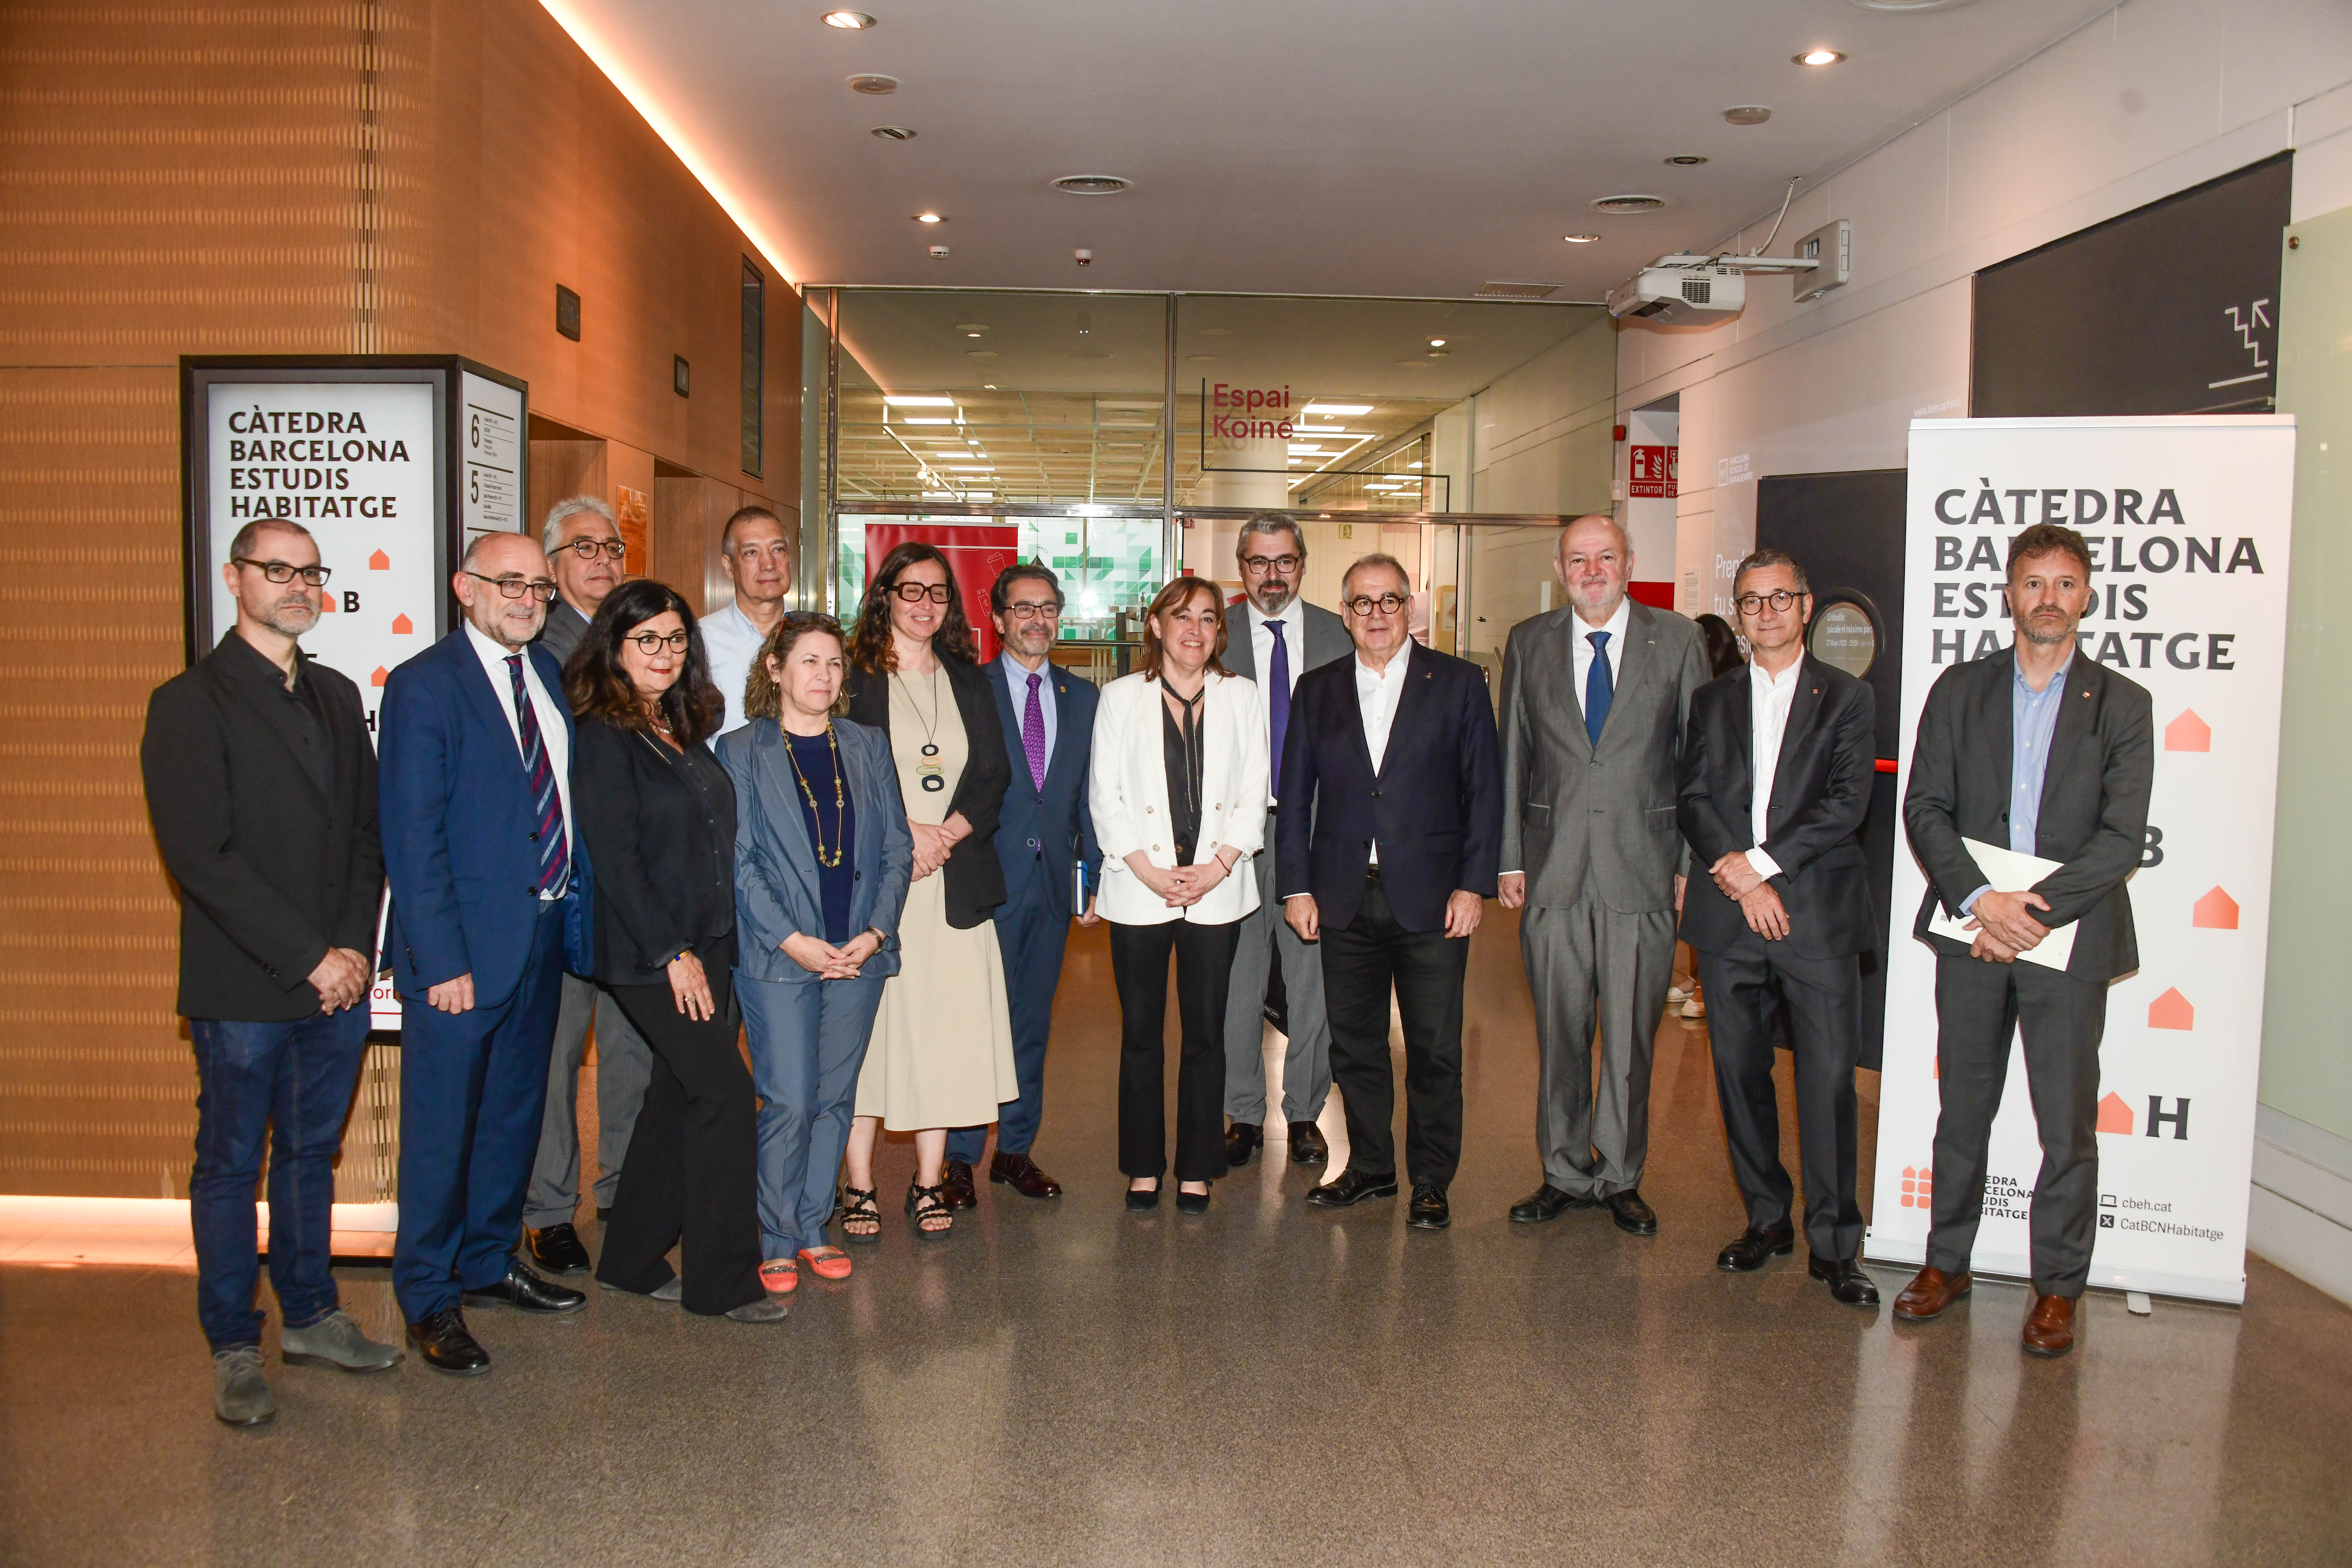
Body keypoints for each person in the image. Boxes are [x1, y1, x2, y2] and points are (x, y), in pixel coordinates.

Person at [141, 518, 402, 1426]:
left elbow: (366, 834)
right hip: (247, 983)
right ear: (235, 577)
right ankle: (231, 1345)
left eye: (310, 573)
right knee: (228, 1165)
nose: (298, 585)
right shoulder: (188, 702)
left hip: (335, 980)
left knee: (309, 1155)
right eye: (277, 570)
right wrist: (308, 956)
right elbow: (202, 858)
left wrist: (352, 952)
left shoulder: (333, 694)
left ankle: (313, 1315)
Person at [1894, 523, 2153, 1358]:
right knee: (1962, 1108)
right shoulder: (1958, 689)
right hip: (1972, 934)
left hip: (2065, 944)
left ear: (2085, 596)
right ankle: (1946, 1263)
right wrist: (1979, 900)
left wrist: (2026, 911)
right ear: (2008, 594)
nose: (2047, 597)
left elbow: (2120, 839)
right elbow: (1924, 807)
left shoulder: (2122, 704)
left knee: (2066, 1123)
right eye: (2032, 582)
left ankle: (2056, 1288)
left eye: (2064, 583)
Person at [379, 531, 590, 1375]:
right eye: (510, 583)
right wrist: (442, 960)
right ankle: (428, 1297)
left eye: (540, 586)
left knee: (511, 1115)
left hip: (538, 937)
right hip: (461, 955)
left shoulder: (542, 673)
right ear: (466, 587)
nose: (528, 598)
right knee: (441, 1131)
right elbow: (412, 835)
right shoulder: (426, 686)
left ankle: (487, 1258)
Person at [566, 579, 783, 1322]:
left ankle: (628, 1258)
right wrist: (671, 953)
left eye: (675, 638)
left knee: (673, 1096)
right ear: (615, 649)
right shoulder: (602, 734)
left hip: (710, 940)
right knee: (724, 1096)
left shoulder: (678, 724)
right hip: (653, 952)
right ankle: (723, 1281)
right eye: (646, 641)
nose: (665, 653)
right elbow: (616, 857)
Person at [1676, 550, 1880, 1307]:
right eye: (1751, 602)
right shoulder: (1713, 700)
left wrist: (1756, 868)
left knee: (1827, 1083)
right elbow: (1692, 794)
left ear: (1806, 605)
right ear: (1739, 615)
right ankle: (1768, 1217)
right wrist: (1731, 869)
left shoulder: (1848, 699)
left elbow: (1845, 804)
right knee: (1738, 1073)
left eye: (1779, 599)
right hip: (1730, 923)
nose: (1765, 613)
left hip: (1814, 917)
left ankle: (1835, 1243)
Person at [1498, 514, 1708, 1235]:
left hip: (1643, 870)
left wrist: (1687, 863)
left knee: (1628, 1039)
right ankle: (1562, 1170)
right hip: (1551, 871)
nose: (1592, 570)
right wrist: (1507, 857)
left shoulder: (1677, 641)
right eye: (1578, 559)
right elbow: (1511, 760)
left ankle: (1620, 1175)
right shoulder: (1529, 642)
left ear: (1628, 563)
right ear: (1561, 568)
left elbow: (1697, 766)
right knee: (1560, 1033)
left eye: (1605, 557)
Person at [1279, 555, 1500, 1230]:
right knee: (1356, 1047)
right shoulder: (1316, 689)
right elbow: (1295, 798)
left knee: (1433, 1049)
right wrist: (1294, 886)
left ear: (1412, 608)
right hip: (1344, 896)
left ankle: (1431, 1180)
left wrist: (1473, 884)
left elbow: (1484, 792)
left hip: (1433, 900)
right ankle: (1372, 1168)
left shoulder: (1458, 684)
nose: (1376, 615)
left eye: (1389, 601)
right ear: (1344, 614)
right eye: (1362, 603)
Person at [720, 613, 912, 1293]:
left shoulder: (865, 744)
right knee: (790, 1099)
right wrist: (795, 941)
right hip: (781, 957)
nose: (824, 676)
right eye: (808, 662)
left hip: (858, 952)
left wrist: (878, 931)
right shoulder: (740, 752)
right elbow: (741, 865)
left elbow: (896, 848)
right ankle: (774, 1233)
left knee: (835, 1098)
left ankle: (810, 1226)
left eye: (834, 664)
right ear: (774, 670)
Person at [837, 542, 1017, 1238]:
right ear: (883, 595)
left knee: (944, 1034)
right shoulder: (852, 679)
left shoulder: (969, 681)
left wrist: (945, 834)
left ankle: (927, 1180)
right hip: (875, 883)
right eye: (911, 591)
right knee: (870, 1032)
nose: (925, 605)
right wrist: (904, 833)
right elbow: (839, 772)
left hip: (952, 883)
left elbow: (993, 775)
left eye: (938, 593)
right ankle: (857, 1186)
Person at [1091, 576, 1269, 1215]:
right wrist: (1147, 869)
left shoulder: (1242, 696)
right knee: (1140, 1032)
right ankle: (1143, 1165)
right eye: (1181, 617)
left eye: (1207, 618)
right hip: (1140, 889)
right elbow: (1105, 796)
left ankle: (1197, 1167)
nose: (1195, 630)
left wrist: (1219, 867)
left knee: (1207, 1034)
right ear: (1156, 627)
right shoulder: (1118, 698)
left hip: (1217, 890)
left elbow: (1256, 790)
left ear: (1220, 631)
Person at [521, 494, 654, 1280]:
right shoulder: (543, 652)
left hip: (632, 888)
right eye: (583, 549)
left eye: (612, 548)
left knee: (633, 1049)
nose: (602, 560)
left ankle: (622, 1190)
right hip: (567, 886)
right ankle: (547, 1210)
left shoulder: (638, 641)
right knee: (559, 1054)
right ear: (551, 565)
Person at [942, 564, 1101, 1204]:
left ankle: (1014, 1150)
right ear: (999, 618)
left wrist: (1088, 875)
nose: (1038, 619)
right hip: (984, 884)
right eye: (1024, 608)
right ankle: (957, 1159)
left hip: (1051, 890)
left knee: (1032, 1024)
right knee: (971, 1022)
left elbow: (1088, 796)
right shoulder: (965, 690)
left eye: (1048, 608)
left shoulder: (1084, 697)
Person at [1217, 513, 1347, 1170]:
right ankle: (1241, 1113)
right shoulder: (1210, 635)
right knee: (1237, 982)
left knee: (1310, 979)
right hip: (1232, 839)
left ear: (1303, 562)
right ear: (1240, 567)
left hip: (1317, 832)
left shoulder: (1338, 632)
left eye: (1285, 561)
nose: (1272, 575)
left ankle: (1303, 1113)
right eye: (1258, 562)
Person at [1671, 611, 1749, 1023]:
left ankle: (1702, 986)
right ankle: (1694, 979)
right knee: (1701, 910)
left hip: (1732, 830)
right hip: (1703, 824)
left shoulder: (1732, 690)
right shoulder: (1705, 695)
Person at [701, 504, 795, 734]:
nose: (769, 564)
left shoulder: (815, 637)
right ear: (728, 566)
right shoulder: (700, 640)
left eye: (778, 550)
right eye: (752, 553)